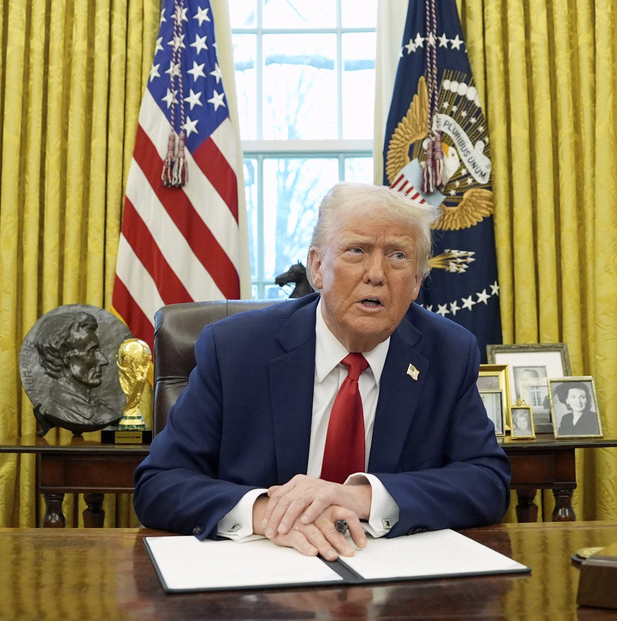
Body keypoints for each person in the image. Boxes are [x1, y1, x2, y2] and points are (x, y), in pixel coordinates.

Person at [134, 182, 511, 562]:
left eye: (398, 256)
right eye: (356, 251)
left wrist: (359, 496)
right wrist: (268, 514)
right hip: (262, 570)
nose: (376, 274)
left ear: (416, 282)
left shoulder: (448, 352)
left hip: (389, 573)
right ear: (317, 267)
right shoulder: (234, 349)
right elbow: (160, 483)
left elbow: (487, 481)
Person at [33, 311, 119, 433]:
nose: (103, 360)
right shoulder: (57, 408)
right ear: (65, 355)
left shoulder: (103, 410)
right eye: (91, 351)